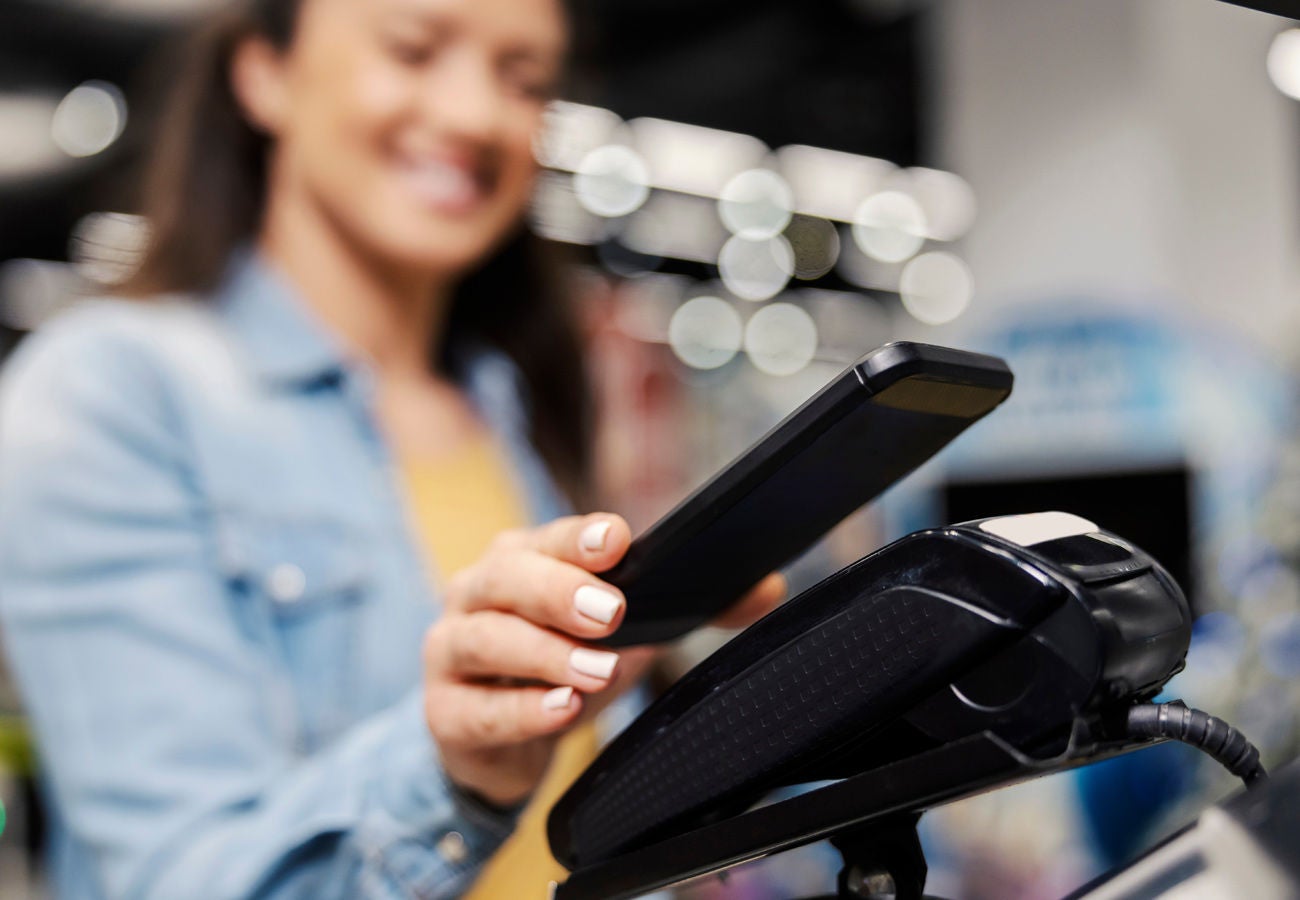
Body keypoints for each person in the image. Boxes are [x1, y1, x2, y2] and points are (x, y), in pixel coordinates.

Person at [0, 0, 785, 897]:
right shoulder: (110, 390)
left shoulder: (515, 396)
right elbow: (178, 877)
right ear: (265, 73)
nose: (475, 115)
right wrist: (456, 768)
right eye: (413, 50)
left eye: (524, 78)